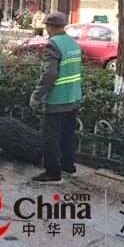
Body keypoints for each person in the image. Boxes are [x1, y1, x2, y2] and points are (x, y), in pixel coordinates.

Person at [30, 12, 82, 184]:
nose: (46, 29)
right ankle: (68, 167)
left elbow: (50, 74)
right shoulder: (72, 42)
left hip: (57, 98)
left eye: (46, 26)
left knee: (50, 136)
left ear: (51, 27)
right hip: (73, 96)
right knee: (67, 135)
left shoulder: (53, 44)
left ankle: (52, 173)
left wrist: (37, 95)